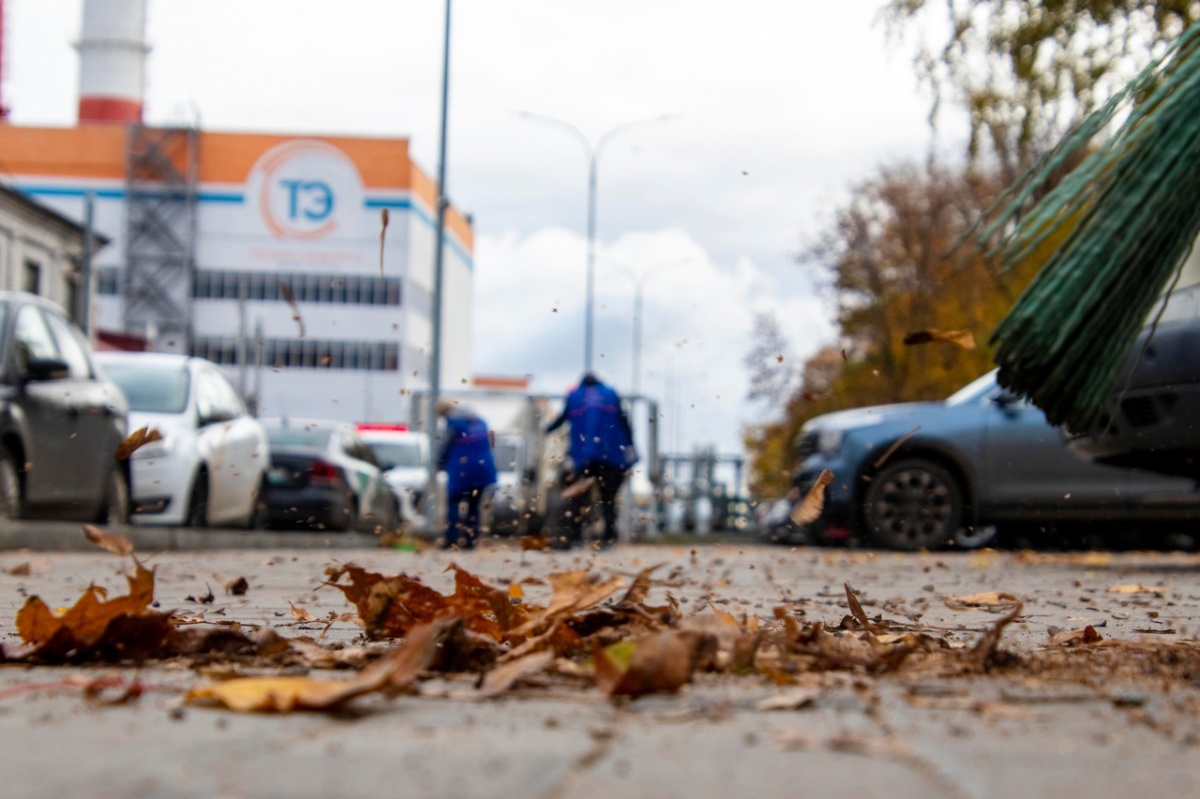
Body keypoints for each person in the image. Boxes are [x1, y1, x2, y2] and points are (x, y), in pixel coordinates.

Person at [545, 372, 637, 548]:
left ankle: (574, 537)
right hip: (611, 455)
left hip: (585, 456)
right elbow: (624, 420)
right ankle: (608, 537)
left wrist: (547, 430)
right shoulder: (610, 394)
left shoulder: (575, 395)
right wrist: (631, 445)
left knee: (579, 497)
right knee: (608, 498)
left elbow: (562, 419)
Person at [436, 399, 497, 550]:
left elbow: (446, 445)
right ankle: (470, 541)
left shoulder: (453, 423)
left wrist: (439, 462)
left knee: (453, 505)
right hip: (483, 470)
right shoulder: (481, 422)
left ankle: (451, 539)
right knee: (474, 506)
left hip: (461, 471)